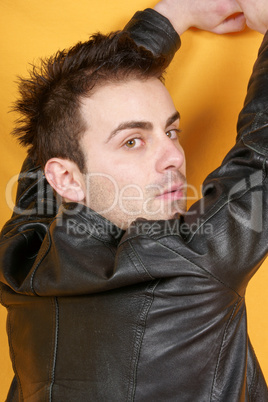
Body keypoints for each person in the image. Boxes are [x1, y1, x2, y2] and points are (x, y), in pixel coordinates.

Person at [0, 0, 267, 400]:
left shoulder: (18, 262)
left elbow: (52, 154)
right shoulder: (193, 264)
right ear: (67, 178)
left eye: (171, 131)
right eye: (133, 141)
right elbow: (260, 157)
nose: (175, 157)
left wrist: (175, 15)